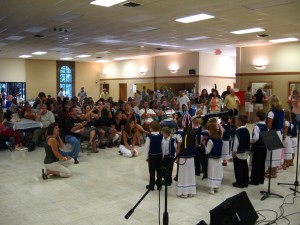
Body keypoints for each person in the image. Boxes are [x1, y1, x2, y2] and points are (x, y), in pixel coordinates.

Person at [175, 114, 196, 198]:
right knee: (190, 173)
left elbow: (178, 147)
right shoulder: (193, 132)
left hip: (183, 157)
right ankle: (190, 191)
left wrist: (177, 157)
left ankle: (184, 192)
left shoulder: (180, 134)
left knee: (183, 174)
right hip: (191, 157)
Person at [266, 95, 284, 178]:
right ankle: (271, 170)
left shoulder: (271, 112)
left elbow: (269, 126)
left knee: (271, 153)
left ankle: (273, 172)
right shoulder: (281, 111)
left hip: (273, 133)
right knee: (276, 153)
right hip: (279, 132)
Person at [203, 121, 223, 194]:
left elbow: (207, 151)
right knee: (218, 172)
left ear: (211, 131)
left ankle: (211, 188)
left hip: (212, 159)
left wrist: (204, 145)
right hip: (219, 159)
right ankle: (217, 187)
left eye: (208, 130)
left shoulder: (210, 140)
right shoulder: (220, 139)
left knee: (212, 172)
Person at [232, 115, 250, 188]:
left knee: (238, 167)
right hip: (245, 151)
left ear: (239, 122)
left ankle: (239, 182)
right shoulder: (247, 130)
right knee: (245, 166)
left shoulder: (238, 132)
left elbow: (236, 143)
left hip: (238, 152)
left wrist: (234, 152)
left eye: (236, 120)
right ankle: (246, 181)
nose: (235, 121)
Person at [249, 110, 268, 185]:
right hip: (264, 148)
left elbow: (256, 137)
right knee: (262, 163)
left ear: (258, 117)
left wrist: (251, 141)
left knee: (255, 163)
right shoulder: (266, 126)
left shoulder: (257, 126)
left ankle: (255, 180)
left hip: (257, 148)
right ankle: (261, 178)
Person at [145, 121, 163, 191]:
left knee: (152, 171)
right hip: (159, 155)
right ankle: (159, 185)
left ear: (151, 128)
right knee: (159, 170)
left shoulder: (149, 137)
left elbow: (147, 148)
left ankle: (151, 185)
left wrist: (146, 157)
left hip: (152, 156)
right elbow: (163, 146)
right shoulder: (161, 136)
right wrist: (163, 155)